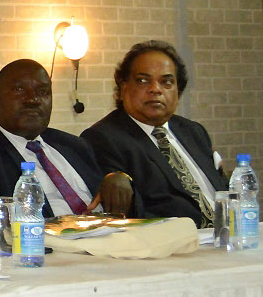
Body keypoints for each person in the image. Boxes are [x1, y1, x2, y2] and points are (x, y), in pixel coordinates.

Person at [0, 59, 135, 245]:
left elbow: (123, 210)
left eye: (43, 92)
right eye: (19, 90)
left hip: (110, 245)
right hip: (45, 256)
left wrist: (120, 179)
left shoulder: (75, 146)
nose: (33, 99)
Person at [81, 40, 226, 225]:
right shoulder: (102, 139)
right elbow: (130, 212)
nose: (155, 89)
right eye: (143, 80)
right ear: (123, 88)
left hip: (228, 237)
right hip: (177, 244)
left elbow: (225, 190)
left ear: (177, 92)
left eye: (166, 82)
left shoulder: (194, 132)